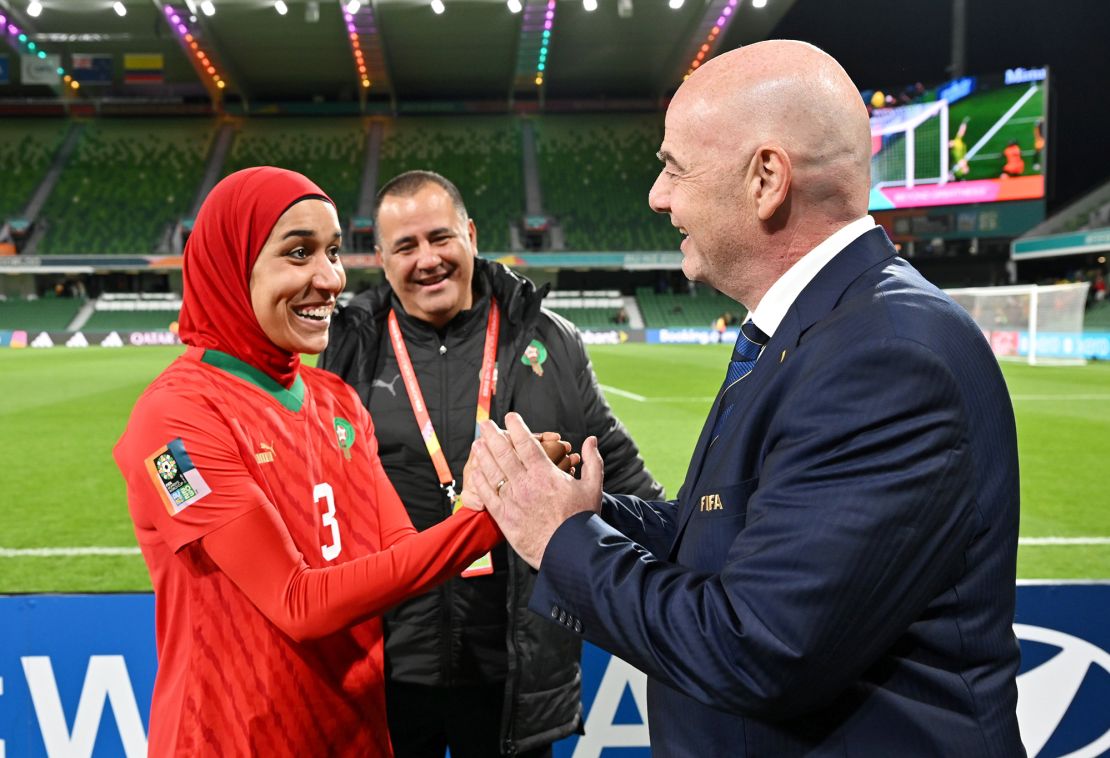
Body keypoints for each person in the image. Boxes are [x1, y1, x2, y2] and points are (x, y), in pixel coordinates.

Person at [468, 40, 1023, 757]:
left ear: (766, 179)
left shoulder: (886, 357)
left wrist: (561, 538)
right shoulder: (816, 328)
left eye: (673, 167)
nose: (656, 196)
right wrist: (591, 511)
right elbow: (738, 550)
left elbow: (758, 647)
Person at [112, 167, 507, 756]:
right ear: (230, 265)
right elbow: (297, 602)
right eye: (298, 253)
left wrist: (483, 496)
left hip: (357, 739)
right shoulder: (174, 421)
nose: (329, 279)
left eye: (333, 252)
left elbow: (400, 558)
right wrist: (490, 520)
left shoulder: (337, 401)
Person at [319, 170, 663, 757]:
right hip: (387, 669)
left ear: (471, 234)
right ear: (380, 258)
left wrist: (692, 547)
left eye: (440, 238)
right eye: (405, 246)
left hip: (515, 669)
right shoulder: (345, 349)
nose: (427, 260)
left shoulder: (548, 341)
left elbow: (617, 470)